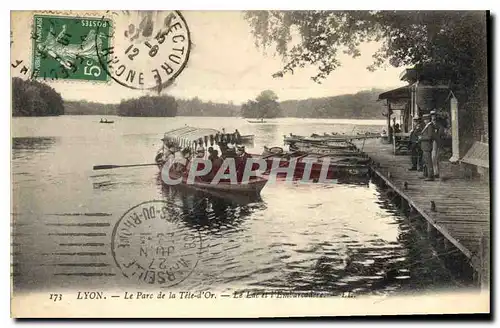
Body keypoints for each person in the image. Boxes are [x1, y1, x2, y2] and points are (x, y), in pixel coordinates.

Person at [419, 114, 436, 181]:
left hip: (427, 146)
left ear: (428, 119)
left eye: (426, 119)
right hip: (425, 146)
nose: (425, 120)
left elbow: (429, 137)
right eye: (424, 119)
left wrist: (421, 138)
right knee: (425, 161)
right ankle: (425, 174)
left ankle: (430, 176)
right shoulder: (427, 126)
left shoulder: (430, 126)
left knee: (428, 161)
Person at [430, 110, 444, 178]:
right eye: (432, 116)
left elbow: (440, 133)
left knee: (435, 157)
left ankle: (436, 172)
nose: (433, 117)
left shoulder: (439, 125)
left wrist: (435, 135)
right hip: (430, 142)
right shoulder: (429, 125)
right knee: (432, 158)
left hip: (436, 142)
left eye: (434, 116)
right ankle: (431, 172)